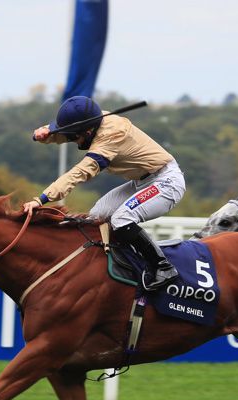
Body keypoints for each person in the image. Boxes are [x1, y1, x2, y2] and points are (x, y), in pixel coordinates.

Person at [23, 96, 185, 291]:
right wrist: (47, 134)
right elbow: (70, 130)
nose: (74, 141)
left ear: (89, 131)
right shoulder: (93, 121)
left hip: (166, 182)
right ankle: (115, 261)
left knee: (122, 219)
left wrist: (42, 199)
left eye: (76, 137)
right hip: (142, 182)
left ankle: (164, 267)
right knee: (96, 215)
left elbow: (81, 172)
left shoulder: (110, 136)